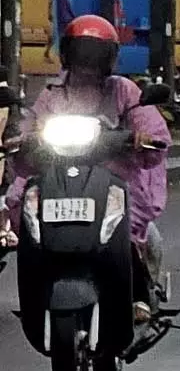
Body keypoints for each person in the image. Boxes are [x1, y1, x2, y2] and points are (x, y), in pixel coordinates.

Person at [5, 16, 171, 322]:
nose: (87, 62)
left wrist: (142, 137)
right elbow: (31, 124)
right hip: (58, 178)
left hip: (114, 180)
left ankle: (139, 296)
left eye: (94, 54)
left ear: (108, 58)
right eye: (81, 53)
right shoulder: (53, 92)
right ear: (68, 54)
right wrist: (22, 138)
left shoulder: (124, 91)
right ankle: (36, 290)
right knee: (28, 221)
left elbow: (151, 128)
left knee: (126, 226)